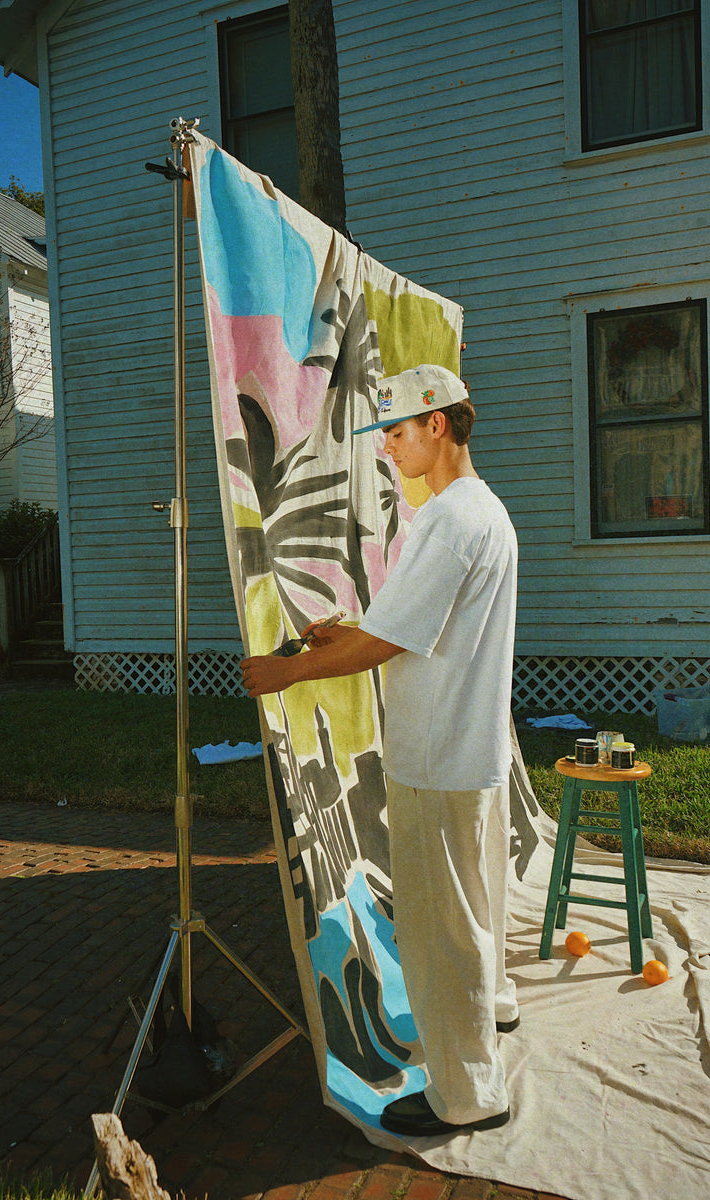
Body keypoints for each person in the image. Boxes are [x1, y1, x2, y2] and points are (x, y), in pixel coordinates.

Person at [241, 363, 518, 1138]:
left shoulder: (453, 519)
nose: (388, 448)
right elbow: (413, 624)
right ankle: (493, 1010)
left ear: (437, 423)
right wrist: (351, 631)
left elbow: (388, 643)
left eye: (396, 432)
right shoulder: (480, 510)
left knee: (440, 932)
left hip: (439, 755)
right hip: (472, 749)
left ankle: (467, 1094)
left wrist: (287, 671)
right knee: (475, 909)